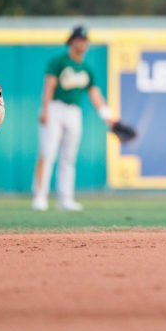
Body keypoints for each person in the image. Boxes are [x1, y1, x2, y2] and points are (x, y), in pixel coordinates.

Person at [32, 25, 114, 212]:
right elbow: (49, 85)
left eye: (85, 41)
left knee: (69, 156)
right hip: (55, 107)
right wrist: (45, 109)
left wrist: (108, 116)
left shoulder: (86, 68)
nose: (82, 44)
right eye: (79, 40)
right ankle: (40, 196)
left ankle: (65, 198)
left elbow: (94, 94)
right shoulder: (60, 61)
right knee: (47, 153)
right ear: (71, 41)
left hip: (74, 112)